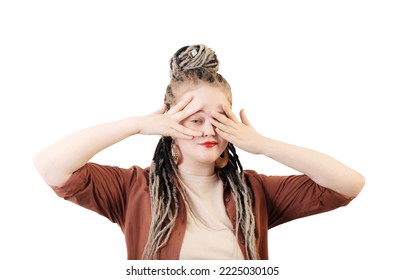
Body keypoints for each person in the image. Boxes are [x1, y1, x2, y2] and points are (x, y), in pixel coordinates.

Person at [34, 44, 365, 260]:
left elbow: (348, 184)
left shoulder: (255, 191)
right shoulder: (134, 188)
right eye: (194, 119)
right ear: (169, 123)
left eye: (220, 119)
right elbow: (51, 166)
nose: (209, 130)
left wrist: (263, 145)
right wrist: (137, 124)